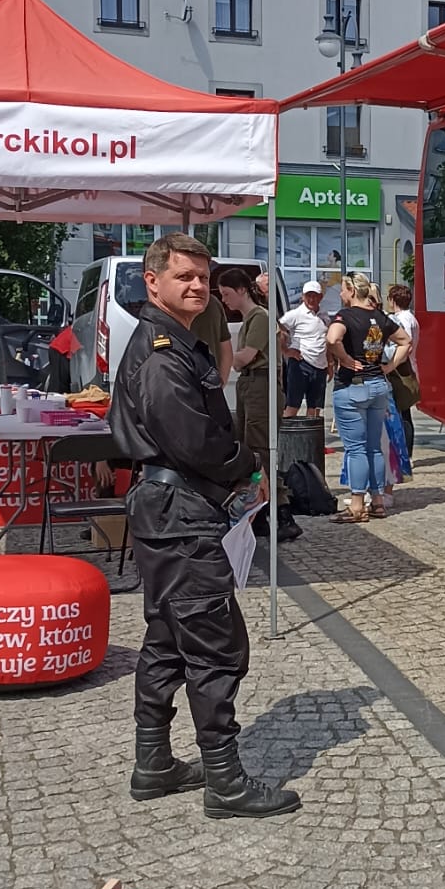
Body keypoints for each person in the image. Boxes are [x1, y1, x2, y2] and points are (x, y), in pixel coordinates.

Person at [110, 233, 300, 819]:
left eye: (203, 277)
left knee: (168, 637)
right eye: (184, 277)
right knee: (214, 644)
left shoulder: (175, 341)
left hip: (172, 508)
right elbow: (192, 438)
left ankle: (154, 763)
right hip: (179, 511)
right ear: (153, 282)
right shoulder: (162, 352)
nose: (197, 286)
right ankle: (225, 782)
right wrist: (248, 466)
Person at [217, 266, 298, 541]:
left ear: (242, 290)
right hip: (252, 384)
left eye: (226, 293)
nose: (224, 300)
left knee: (261, 450)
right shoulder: (252, 318)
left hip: (261, 385)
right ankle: (263, 513)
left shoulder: (260, 317)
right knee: (251, 448)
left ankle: (281, 514)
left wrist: (224, 356)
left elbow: (245, 357)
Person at [327, 271, 411, 522]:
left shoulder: (346, 316)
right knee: (374, 448)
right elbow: (405, 341)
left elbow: (332, 338)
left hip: (353, 386)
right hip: (378, 385)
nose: (341, 294)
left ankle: (356, 505)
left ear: (352, 291)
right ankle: (378, 502)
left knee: (356, 449)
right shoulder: (380, 316)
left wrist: (344, 358)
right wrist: (389, 366)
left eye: (343, 289)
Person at [280, 280, 330, 416]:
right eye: (308, 296)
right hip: (301, 363)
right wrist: (286, 350)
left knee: (315, 409)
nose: (311, 299)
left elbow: (327, 340)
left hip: (320, 366)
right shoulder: (295, 314)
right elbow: (278, 328)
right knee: (293, 406)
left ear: (321, 297)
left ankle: (311, 431)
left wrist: (330, 363)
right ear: (303, 297)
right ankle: (286, 430)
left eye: (315, 296)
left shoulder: (324, 315)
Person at [386, 282, 420, 456]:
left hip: (401, 369)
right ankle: (404, 452)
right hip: (408, 366)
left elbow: (405, 343)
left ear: (393, 300)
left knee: (402, 413)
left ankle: (405, 452)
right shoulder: (411, 317)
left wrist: (391, 363)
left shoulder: (403, 319)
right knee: (403, 413)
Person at [190, 289, 233, 385]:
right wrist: (219, 386)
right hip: (210, 382)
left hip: (181, 383)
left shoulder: (170, 304)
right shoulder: (213, 302)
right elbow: (227, 353)